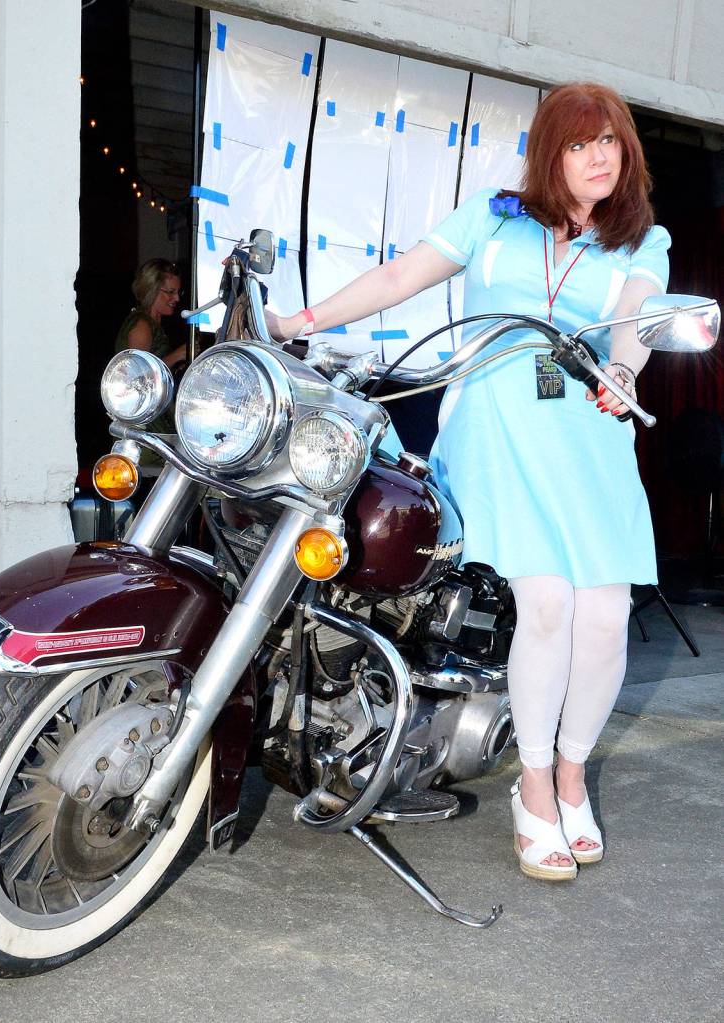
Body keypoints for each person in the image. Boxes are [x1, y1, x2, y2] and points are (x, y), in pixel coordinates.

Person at [265, 82, 670, 882]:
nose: (599, 157)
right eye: (580, 143)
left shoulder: (637, 239)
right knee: (548, 602)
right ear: (550, 154)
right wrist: (300, 323)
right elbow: (399, 277)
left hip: (590, 427)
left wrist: (622, 367)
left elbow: (638, 314)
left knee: (607, 611)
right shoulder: (492, 216)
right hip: (498, 426)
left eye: (610, 143)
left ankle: (570, 770)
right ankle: (532, 783)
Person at [116, 258, 187, 370]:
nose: (177, 298)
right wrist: (176, 356)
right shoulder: (141, 326)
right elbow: (137, 375)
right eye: (171, 292)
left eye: (179, 292)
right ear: (152, 290)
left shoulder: (154, 323)